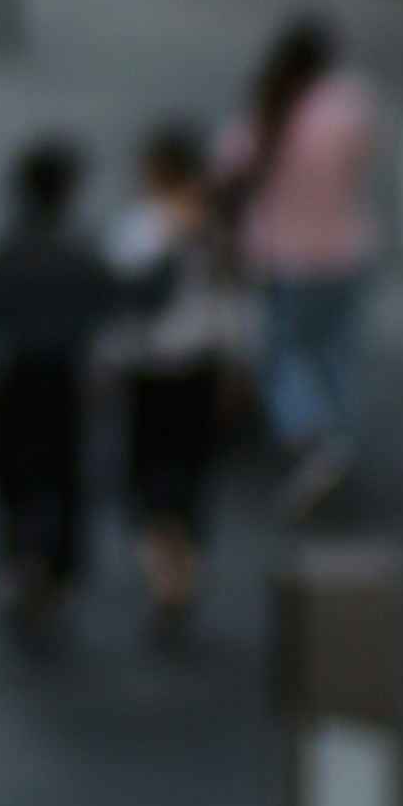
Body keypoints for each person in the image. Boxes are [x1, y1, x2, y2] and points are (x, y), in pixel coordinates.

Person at [0, 139, 122, 647]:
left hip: (12, 374)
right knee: (66, 478)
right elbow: (115, 302)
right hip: (64, 378)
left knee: (9, 474)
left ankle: (16, 560)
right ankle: (59, 573)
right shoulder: (79, 255)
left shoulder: (2, 255)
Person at [221, 15, 383, 517]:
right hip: (344, 248)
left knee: (287, 352)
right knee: (336, 350)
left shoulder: (269, 108)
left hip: (282, 254)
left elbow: (228, 170)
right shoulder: (348, 106)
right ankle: (338, 436)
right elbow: (361, 161)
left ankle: (309, 436)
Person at [97, 122, 244, 643]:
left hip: (147, 366)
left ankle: (163, 558)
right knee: (193, 466)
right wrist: (235, 361)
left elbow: (118, 305)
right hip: (199, 363)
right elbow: (229, 300)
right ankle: (186, 554)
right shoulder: (212, 227)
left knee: (144, 470)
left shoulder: (136, 228)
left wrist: (107, 363)